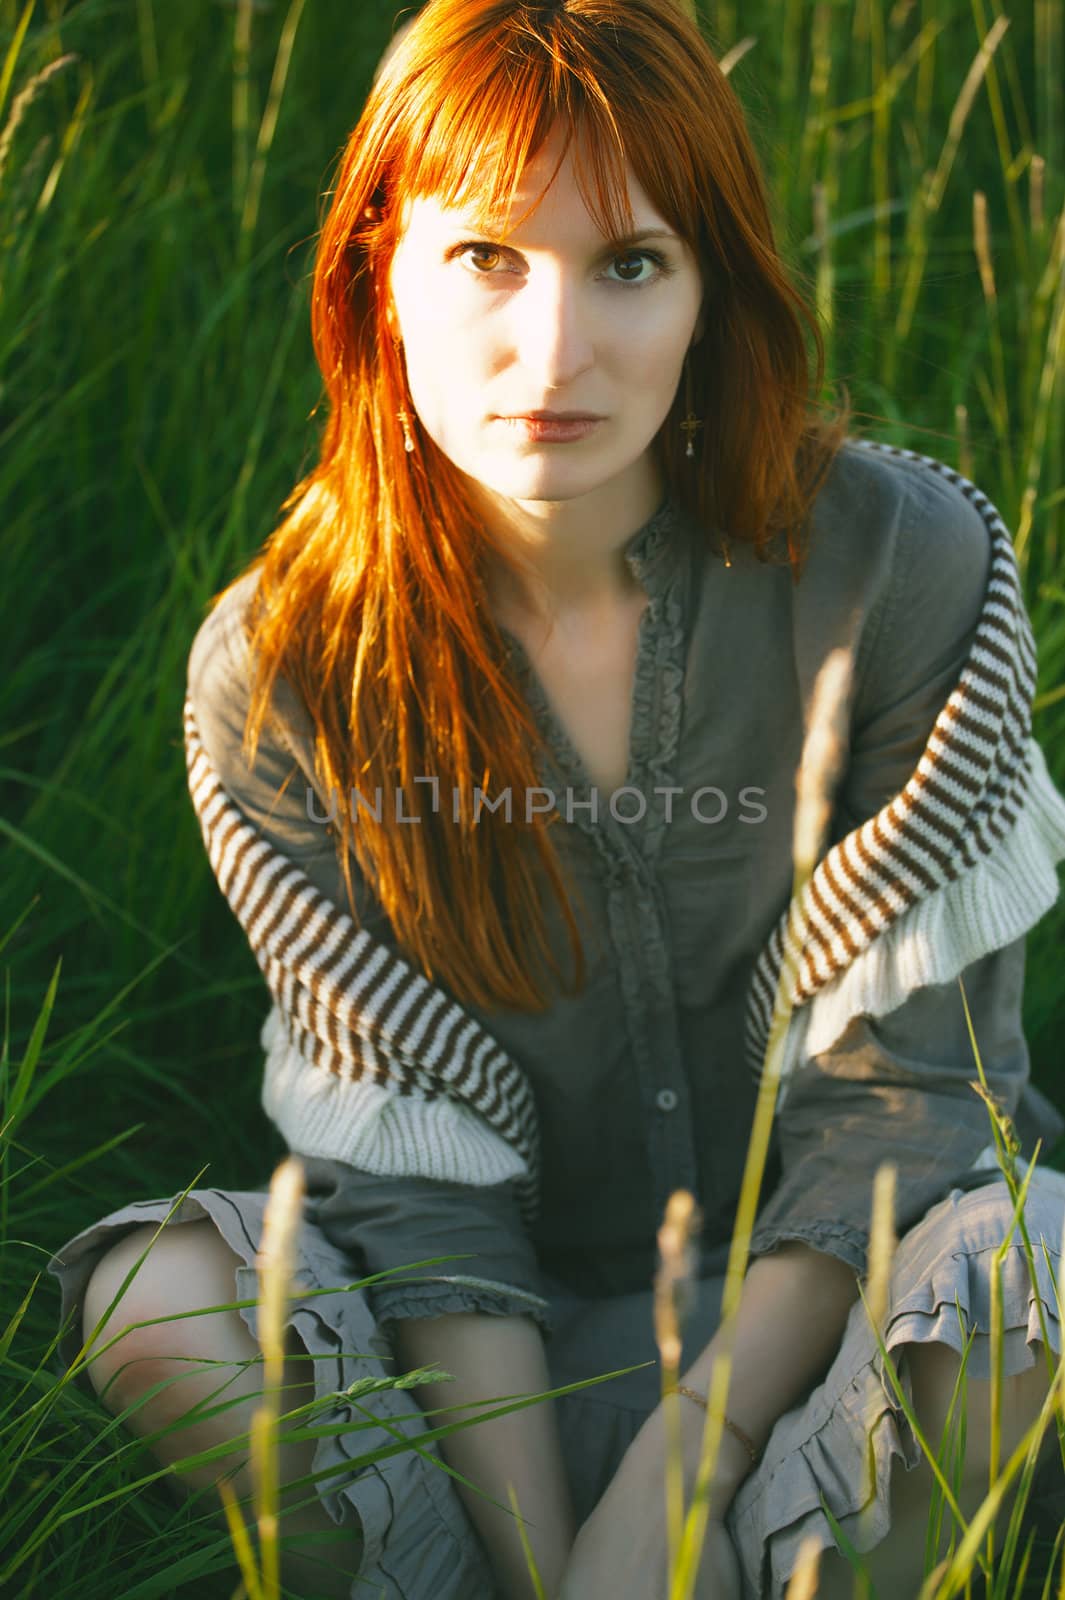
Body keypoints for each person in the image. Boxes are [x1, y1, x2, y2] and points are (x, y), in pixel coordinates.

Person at [46, 2, 1065, 1597]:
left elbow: (911, 1106)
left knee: (1036, 1280)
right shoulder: (285, 665)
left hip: (830, 1339)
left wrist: (684, 1475)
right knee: (155, 1297)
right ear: (378, 273)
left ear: (711, 291)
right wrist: (553, 1562)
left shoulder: (901, 564)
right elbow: (409, 1171)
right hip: (469, 1388)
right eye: (486, 261)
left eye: (630, 266)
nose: (553, 353)